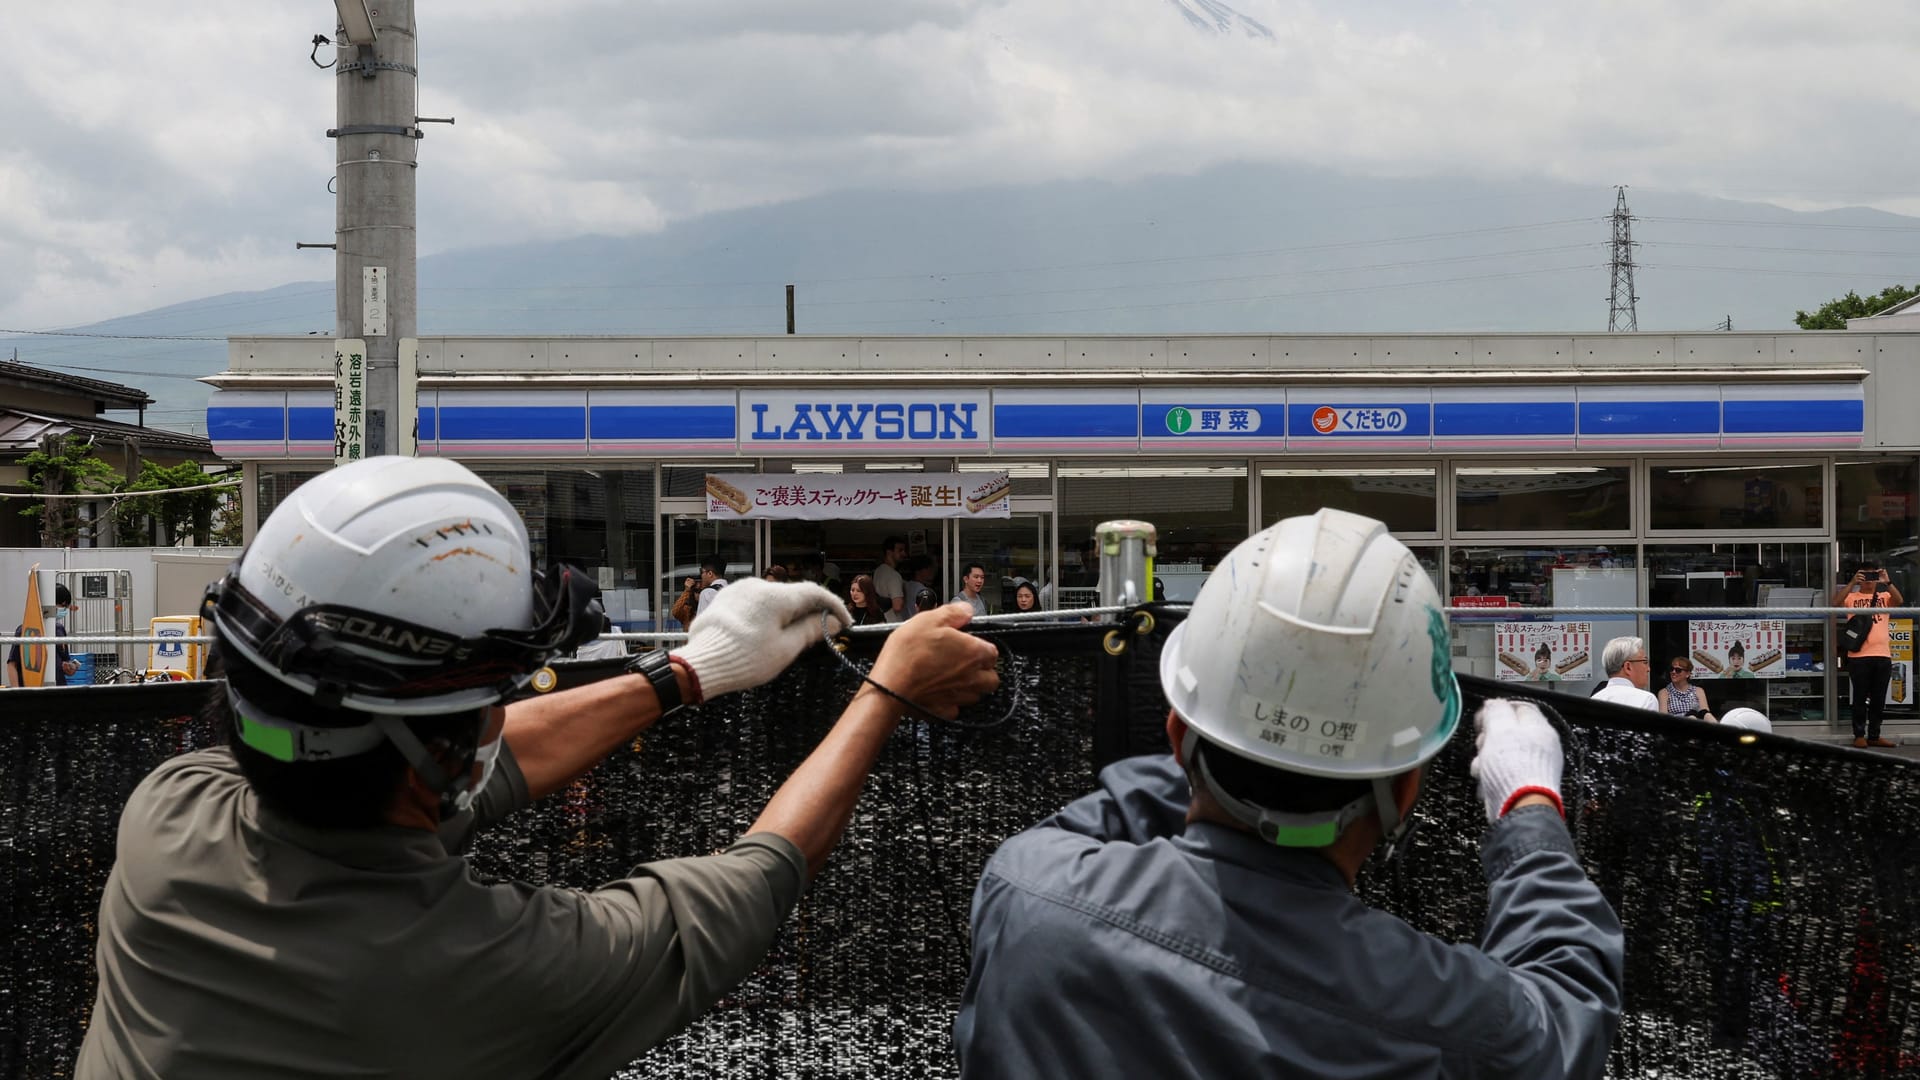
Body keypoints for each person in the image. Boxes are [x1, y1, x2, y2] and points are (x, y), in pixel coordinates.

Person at [77, 456, 1000, 1079]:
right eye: (494, 700)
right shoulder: (472, 974)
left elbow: (448, 760)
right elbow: (755, 880)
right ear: (440, 748)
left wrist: (692, 671)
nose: (502, 722)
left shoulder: (171, 814)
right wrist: (888, 689)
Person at [955, 509, 1624, 1077]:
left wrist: (1237, 717)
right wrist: (1528, 803)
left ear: (1177, 733)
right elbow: (1566, 1013)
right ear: (1407, 787)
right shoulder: (1441, 1014)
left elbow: (1121, 803)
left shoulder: (1026, 891)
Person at [1835, 562, 1902, 748]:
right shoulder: (1852, 597)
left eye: (1873, 576)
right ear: (1860, 576)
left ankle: (1874, 735)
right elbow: (1835, 603)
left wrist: (1887, 582)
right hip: (1858, 656)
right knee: (1859, 697)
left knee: (1879, 698)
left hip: (1883, 655)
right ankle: (1859, 734)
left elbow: (1900, 601)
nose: (1869, 580)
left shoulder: (1884, 595)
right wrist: (1852, 582)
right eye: (1866, 576)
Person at [5, 582, 77, 687]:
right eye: (62, 605)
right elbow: (12, 664)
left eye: (66, 606)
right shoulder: (26, 630)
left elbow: (65, 662)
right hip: (32, 688)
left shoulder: (59, 630)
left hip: (58, 688)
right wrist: (17, 692)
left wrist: (69, 669)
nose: (64, 610)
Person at [1592, 636, 1660, 711]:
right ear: (1628, 667)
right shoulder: (1646, 700)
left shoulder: (1594, 700)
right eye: (1645, 662)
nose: (1648, 669)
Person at [671, 556, 729, 630]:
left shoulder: (707, 593)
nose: (702, 576)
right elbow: (675, 611)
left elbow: (701, 627)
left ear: (710, 573)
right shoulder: (732, 591)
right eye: (695, 591)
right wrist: (687, 590)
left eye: (702, 572)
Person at [1658, 655, 1713, 722]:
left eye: (1678, 670)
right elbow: (1663, 719)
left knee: (1706, 715)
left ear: (1687, 674)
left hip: (1697, 727)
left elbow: (1705, 714)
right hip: (1676, 727)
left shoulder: (1698, 691)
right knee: (1691, 718)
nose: (1673, 672)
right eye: (1671, 669)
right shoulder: (1664, 693)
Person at [873, 535, 909, 623]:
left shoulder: (878, 571)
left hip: (881, 622)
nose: (904, 554)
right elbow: (897, 606)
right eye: (900, 550)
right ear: (889, 552)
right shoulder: (894, 575)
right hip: (893, 623)